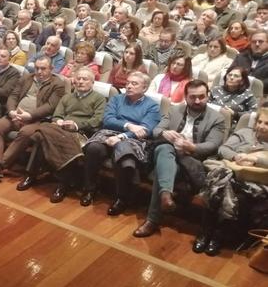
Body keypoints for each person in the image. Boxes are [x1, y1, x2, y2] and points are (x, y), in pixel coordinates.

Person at [134, 80, 225, 237]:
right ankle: (165, 198)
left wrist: (191, 147)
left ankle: (154, 216)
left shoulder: (217, 118)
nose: (197, 101)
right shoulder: (175, 110)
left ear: (208, 95)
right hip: (169, 154)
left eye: (202, 97)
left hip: (192, 160)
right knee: (165, 147)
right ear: (185, 97)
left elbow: (213, 145)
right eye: (193, 97)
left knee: (162, 165)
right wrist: (164, 133)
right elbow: (157, 129)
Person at [21, 67, 106, 203]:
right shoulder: (67, 97)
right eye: (78, 78)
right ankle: (31, 175)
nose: (80, 82)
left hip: (80, 132)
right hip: (61, 129)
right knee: (45, 133)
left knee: (42, 135)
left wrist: (76, 125)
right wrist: (59, 121)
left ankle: (62, 184)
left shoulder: (99, 99)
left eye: (85, 79)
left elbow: (97, 120)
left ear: (92, 82)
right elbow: (56, 115)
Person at [81, 72, 161, 213]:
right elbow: (108, 120)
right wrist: (129, 126)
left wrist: (122, 136)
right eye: (128, 82)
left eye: (134, 83)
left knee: (123, 156)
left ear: (145, 88)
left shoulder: (152, 106)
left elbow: (145, 130)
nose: (129, 86)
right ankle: (90, 189)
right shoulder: (117, 99)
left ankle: (121, 198)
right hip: (110, 133)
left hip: (134, 139)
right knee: (93, 148)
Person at [0, 55, 66, 181]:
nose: (39, 71)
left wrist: (29, 116)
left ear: (51, 68)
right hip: (16, 116)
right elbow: (13, 96)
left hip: (37, 120)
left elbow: (50, 106)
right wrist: (12, 111)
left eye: (43, 68)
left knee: (25, 133)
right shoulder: (26, 78)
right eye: (37, 68)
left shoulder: (58, 84)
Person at [195, 108, 268, 256]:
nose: (261, 126)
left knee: (225, 190)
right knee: (219, 186)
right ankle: (207, 233)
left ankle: (216, 235)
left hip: (257, 182)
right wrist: (237, 156)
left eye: (267, 123)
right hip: (231, 173)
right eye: (259, 121)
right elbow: (224, 149)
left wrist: (255, 160)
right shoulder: (245, 133)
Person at [208, 66, 258, 130]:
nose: (231, 77)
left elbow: (254, 113)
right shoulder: (216, 90)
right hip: (210, 120)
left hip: (232, 126)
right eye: (229, 75)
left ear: (242, 80)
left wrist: (235, 114)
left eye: (236, 76)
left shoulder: (248, 95)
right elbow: (206, 105)